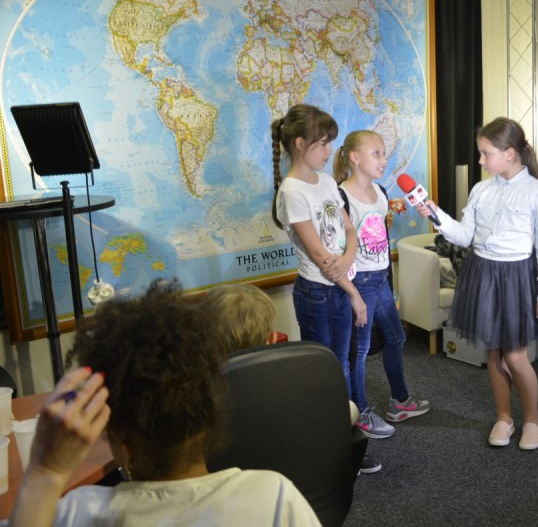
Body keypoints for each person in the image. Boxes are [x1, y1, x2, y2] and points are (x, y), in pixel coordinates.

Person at [8, 280, 320, 526]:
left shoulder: (78, 513)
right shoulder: (274, 496)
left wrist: (46, 472)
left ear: (123, 445)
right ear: (210, 412)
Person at [413, 117, 538, 450]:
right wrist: (436, 214)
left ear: (510, 154)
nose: (480, 160)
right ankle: (504, 418)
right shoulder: (482, 190)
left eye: (485, 153)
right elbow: (465, 236)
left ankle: (532, 419)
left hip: (517, 276)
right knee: (494, 352)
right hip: (482, 272)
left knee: (516, 356)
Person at [203, 283, 381, 474]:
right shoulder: (292, 379)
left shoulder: (197, 392)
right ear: (271, 338)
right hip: (298, 477)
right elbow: (347, 412)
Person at [333, 130, 430, 440]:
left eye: (384, 153)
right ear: (354, 157)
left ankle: (400, 402)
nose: (384, 159)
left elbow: (381, 240)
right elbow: (338, 246)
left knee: (396, 337)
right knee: (359, 350)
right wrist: (351, 292)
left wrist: (387, 280)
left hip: (380, 280)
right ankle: (360, 410)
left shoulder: (380, 192)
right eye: (376, 153)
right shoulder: (340, 196)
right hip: (359, 281)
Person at [271, 104, 367, 392]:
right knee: (321, 369)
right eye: (323, 143)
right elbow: (319, 256)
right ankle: (329, 419)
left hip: (340, 285)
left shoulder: (325, 181)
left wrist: (347, 259)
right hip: (316, 293)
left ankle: (348, 416)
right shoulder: (292, 191)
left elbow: (350, 230)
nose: (329, 151)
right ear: (301, 144)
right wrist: (354, 293)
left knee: (342, 362)